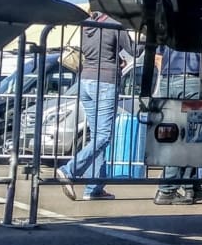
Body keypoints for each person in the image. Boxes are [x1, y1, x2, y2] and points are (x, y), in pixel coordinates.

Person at [56, 12, 139, 201]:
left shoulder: (87, 24)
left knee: (97, 137)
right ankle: (69, 170)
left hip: (85, 80)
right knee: (103, 136)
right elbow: (134, 51)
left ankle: (95, 187)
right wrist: (145, 38)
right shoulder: (114, 24)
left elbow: (96, 51)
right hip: (105, 82)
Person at [153, 47, 202, 205]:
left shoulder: (174, 23)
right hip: (192, 78)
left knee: (172, 137)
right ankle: (168, 188)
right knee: (191, 136)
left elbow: (157, 55)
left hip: (168, 79)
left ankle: (190, 187)